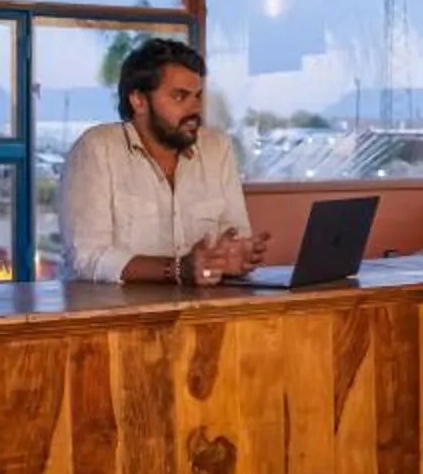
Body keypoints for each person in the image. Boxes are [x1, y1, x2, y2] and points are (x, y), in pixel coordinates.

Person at [58, 38, 270, 287]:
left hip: (202, 314)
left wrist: (234, 258)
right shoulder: (97, 149)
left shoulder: (216, 148)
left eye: (198, 96)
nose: (195, 108)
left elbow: (235, 238)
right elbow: (86, 258)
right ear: (138, 101)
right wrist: (178, 269)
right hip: (117, 318)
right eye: (180, 97)